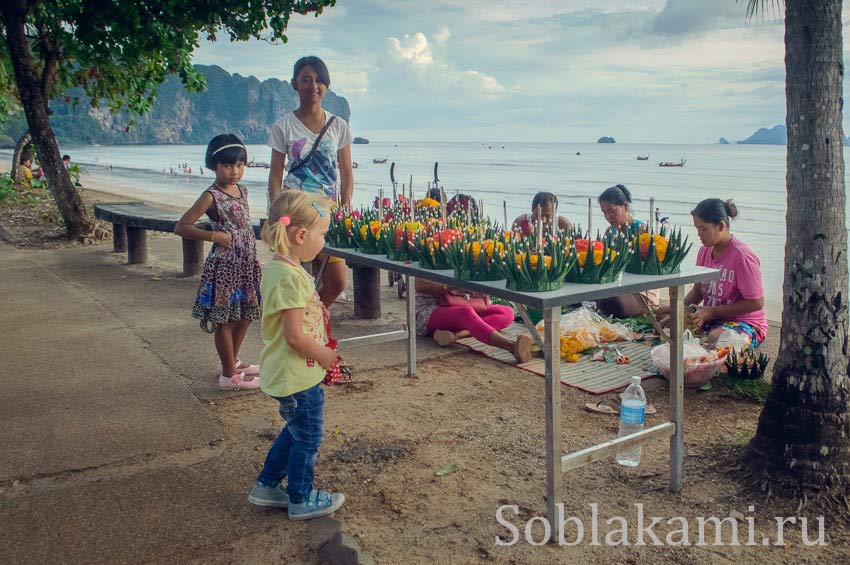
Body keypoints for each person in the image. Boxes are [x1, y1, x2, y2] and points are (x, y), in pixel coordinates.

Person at [247, 189, 346, 520]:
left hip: (293, 374)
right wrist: (324, 355)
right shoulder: (289, 277)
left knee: (295, 431)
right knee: (309, 438)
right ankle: (301, 498)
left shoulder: (282, 269)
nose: (323, 241)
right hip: (297, 377)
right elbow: (293, 335)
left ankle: (267, 485)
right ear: (301, 234)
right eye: (323, 233)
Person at [175, 134, 262, 390]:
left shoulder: (242, 190)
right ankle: (228, 376)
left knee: (246, 314)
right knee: (225, 320)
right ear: (213, 165)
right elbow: (182, 226)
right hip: (225, 266)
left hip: (245, 262)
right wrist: (215, 236)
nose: (234, 171)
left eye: (239, 165)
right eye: (227, 165)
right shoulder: (211, 196)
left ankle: (232, 362)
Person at [267, 56, 354, 308]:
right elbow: (275, 175)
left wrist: (345, 209)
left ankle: (310, 316)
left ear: (326, 85)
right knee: (292, 278)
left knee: (336, 282)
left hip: (327, 213)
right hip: (294, 213)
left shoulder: (338, 126)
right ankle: (296, 325)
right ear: (295, 84)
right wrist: (277, 213)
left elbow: (347, 173)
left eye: (319, 80)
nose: (313, 86)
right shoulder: (283, 127)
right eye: (306, 80)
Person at [657, 199, 767, 349]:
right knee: (664, 315)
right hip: (712, 318)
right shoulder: (704, 251)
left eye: (704, 229)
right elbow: (698, 291)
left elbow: (756, 303)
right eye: (697, 229)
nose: (699, 235)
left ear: (721, 226)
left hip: (745, 323)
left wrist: (711, 312)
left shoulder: (743, 257)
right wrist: (677, 309)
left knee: (717, 338)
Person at [414, 279, 532, 363]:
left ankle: (457, 335)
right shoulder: (429, 249)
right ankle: (511, 346)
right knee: (466, 313)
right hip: (429, 311)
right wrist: (455, 283)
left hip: (462, 302)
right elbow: (419, 285)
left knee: (507, 312)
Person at [597, 184, 653, 317]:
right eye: (605, 213)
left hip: (640, 291)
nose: (608, 217)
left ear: (626, 206)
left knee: (613, 303)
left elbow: (649, 267)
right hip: (615, 287)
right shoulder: (609, 232)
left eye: (612, 211)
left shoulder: (642, 230)